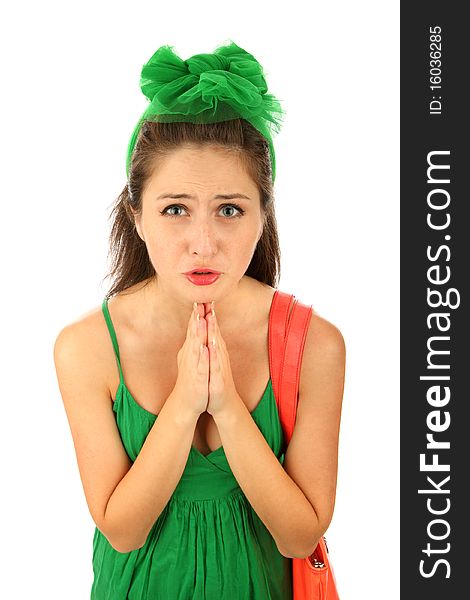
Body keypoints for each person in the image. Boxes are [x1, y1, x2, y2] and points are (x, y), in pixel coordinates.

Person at [53, 40, 346, 599]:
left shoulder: (315, 344)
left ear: (264, 215)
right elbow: (121, 528)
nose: (203, 243)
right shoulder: (86, 347)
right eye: (175, 209)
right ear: (136, 216)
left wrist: (229, 405)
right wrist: (187, 400)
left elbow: (299, 535)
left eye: (230, 210)